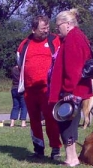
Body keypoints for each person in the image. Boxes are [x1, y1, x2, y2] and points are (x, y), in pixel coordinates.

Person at [49, 8, 93, 167]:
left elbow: (73, 68)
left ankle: (71, 159)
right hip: (76, 89)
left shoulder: (73, 38)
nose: (57, 29)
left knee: (66, 122)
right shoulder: (78, 36)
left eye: (58, 25)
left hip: (70, 91)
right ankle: (72, 157)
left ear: (67, 24)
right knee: (71, 122)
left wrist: (67, 90)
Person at [17, 16, 62, 160]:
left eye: (47, 28)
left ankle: (56, 149)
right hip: (30, 90)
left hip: (47, 89)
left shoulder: (54, 40)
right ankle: (39, 149)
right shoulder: (24, 44)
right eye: (42, 29)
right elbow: (19, 64)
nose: (46, 31)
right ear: (33, 29)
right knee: (34, 120)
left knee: (51, 119)